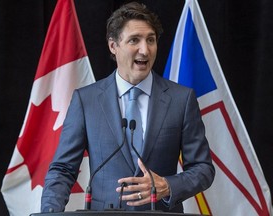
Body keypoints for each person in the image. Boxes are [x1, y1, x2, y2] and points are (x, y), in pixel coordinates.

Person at [41, 1, 215, 213]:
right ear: (113, 46)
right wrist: (49, 213)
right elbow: (63, 169)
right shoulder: (86, 100)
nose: (145, 50)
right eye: (135, 40)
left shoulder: (182, 99)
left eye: (151, 40)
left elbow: (203, 169)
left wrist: (167, 186)